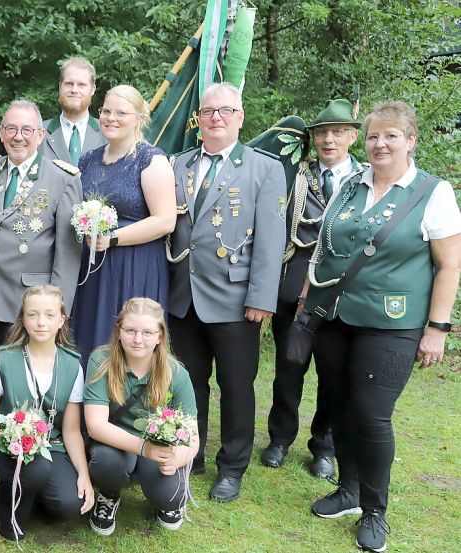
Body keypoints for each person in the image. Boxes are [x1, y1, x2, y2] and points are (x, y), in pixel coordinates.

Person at [303, 101, 460, 553]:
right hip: (335, 317)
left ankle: (375, 511)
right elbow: (325, 249)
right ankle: (349, 492)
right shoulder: (351, 184)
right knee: (337, 404)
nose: (380, 143)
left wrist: (437, 328)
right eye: (373, 136)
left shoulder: (433, 192)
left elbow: (449, 266)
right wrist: (306, 306)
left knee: (371, 415)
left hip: (392, 324)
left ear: (410, 141)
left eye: (391, 135)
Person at [167, 82, 286, 502]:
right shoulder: (177, 165)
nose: (215, 117)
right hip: (183, 296)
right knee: (188, 382)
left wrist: (261, 297)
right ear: (198, 120)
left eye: (225, 111)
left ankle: (232, 467)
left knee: (236, 385)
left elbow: (272, 239)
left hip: (237, 300)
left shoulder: (264, 168)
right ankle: (189, 454)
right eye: (208, 111)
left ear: (240, 117)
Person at [262, 99, 363, 478]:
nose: (329, 139)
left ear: (353, 136)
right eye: (321, 132)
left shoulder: (367, 180)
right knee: (289, 367)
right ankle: (280, 438)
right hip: (293, 290)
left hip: (341, 294)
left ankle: (324, 445)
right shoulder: (294, 177)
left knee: (333, 374)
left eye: (338, 131)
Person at [0, 99, 83, 396]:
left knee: (23, 380)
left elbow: (68, 254)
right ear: (1, 133)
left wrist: (58, 307)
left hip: (28, 301)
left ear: (41, 135)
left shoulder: (62, 178)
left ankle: (22, 437)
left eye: (27, 129)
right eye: (11, 128)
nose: (18, 136)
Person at [0, 285, 94, 541]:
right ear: (23, 319)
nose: (41, 322)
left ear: (61, 320)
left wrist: (83, 474)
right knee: (35, 470)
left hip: (52, 445)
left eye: (50, 315)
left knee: (68, 505)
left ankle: (33, 491)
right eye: (33, 315)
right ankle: (6, 499)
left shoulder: (72, 364)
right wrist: (13, 439)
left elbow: (71, 430)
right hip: (6, 445)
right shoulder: (4, 360)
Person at [71, 84, 176, 363]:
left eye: (121, 112)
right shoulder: (87, 160)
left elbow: (165, 220)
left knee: (130, 336)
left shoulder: (151, 160)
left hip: (135, 264)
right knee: (92, 335)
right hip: (93, 266)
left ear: (140, 118)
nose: (111, 118)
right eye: (106, 111)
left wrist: (113, 238)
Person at [85, 298, 199, 536]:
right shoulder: (101, 360)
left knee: (170, 497)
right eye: (130, 331)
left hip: (157, 447)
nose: (138, 339)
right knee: (107, 462)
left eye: (147, 332)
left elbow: (193, 434)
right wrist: (144, 449)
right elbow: (95, 426)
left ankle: (164, 499)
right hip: (115, 443)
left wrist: (177, 459)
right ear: (118, 331)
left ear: (160, 336)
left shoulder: (175, 372)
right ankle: (109, 494)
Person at [40, 56, 106, 165]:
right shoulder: (39, 133)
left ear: (92, 89)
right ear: (60, 87)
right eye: (69, 84)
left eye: (81, 85)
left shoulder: (107, 133)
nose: (74, 90)